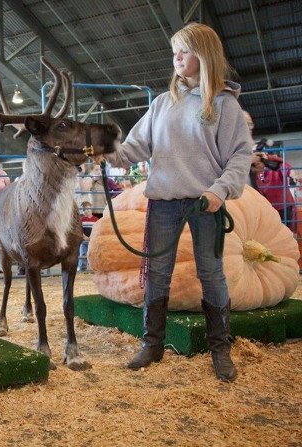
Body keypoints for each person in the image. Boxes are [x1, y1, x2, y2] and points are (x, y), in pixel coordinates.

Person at [103, 23, 253, 382]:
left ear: (204, 55)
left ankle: (220, 349)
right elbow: (134, 149)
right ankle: (152, 344)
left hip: (205, 203)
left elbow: (239, 156)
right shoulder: (162, 104)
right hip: (165, 202)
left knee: (210, 272)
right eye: (176, 51)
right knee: (156, 273)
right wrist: (107, 151)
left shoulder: (223, 103)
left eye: (184, 51)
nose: (177, 57)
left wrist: (219, 191)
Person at [78, 201, 99, 271]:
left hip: (92, 240)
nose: (86, 211)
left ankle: (92, 267)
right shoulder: (82, 220)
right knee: (83, 253)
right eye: (84, 210)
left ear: (91, 209)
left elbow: (97, 229)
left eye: (88, 209)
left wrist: (92, 237)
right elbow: (80, 229)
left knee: (92, 253)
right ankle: (82, 268)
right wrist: (84, 237)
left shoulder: (96, 219)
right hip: (84, 240)